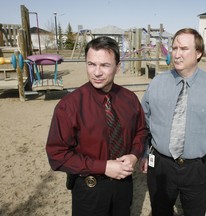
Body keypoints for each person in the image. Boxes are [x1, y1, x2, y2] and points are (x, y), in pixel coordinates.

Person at [46, 36, 148, 216]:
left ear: (117, 66)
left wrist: (134, 155)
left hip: (123, 187)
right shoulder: (69, 106)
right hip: (89, 189)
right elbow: (57, 155)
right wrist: (103, 167)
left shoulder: (129, 99)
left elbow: (141, 130)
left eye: (105, 65)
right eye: (91, 64)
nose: (97, 72)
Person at [141, 28, 206, 216]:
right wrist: (143, 152)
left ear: (198, 53)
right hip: (160, 166)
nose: (176, 54)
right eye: (174, 47)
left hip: (198, 170)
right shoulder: (157, 83)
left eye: (184, 48)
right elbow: (143, 120)